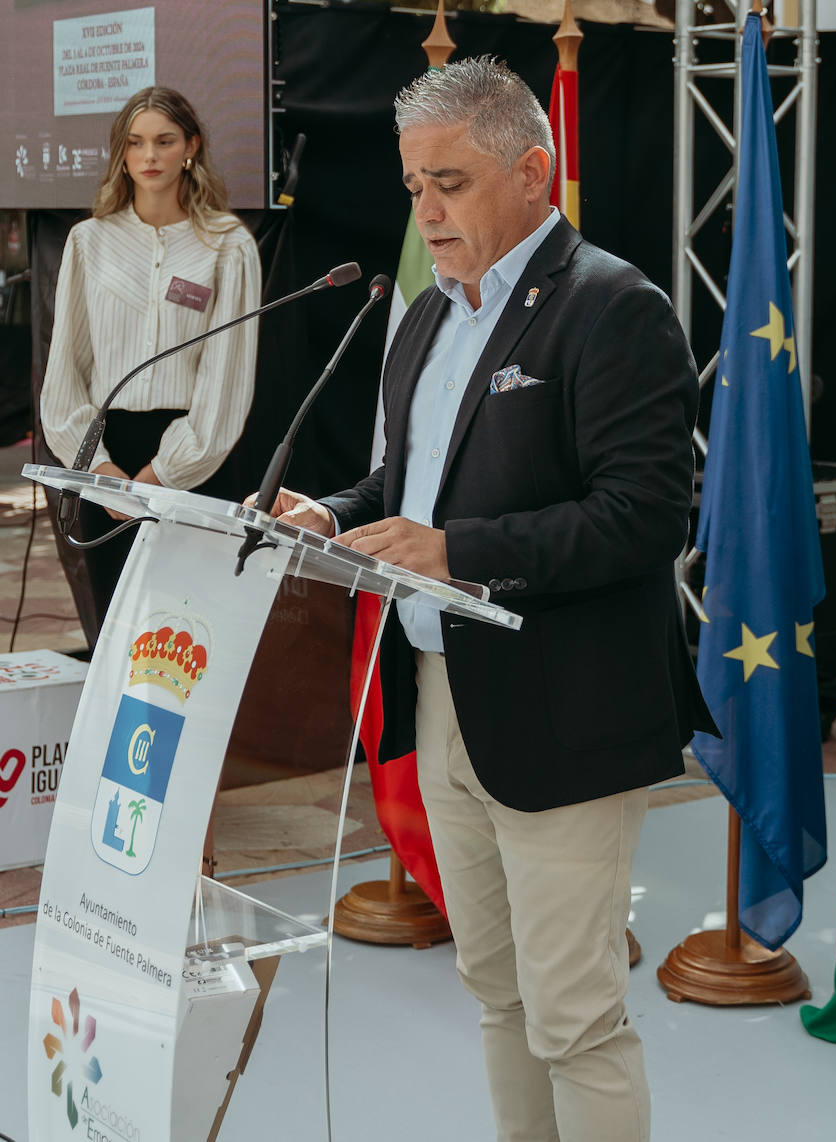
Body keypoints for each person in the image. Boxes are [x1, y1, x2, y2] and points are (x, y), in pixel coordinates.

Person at [267, 57, 717, 1141]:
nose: (425, 209)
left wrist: (456, 547)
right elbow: (404, 483)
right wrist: (330, 512)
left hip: (564, 709)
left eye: (450, 184)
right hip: (441, 696)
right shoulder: (423, 316)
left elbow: (647, 517)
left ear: (531, 171)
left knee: (573, 1017)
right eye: (413, 186)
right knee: (497, 991)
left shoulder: (613, 307)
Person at [41, 86, 261, 643]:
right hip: (105, 461)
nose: (150, 156)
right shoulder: (87, 242)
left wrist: (163, 475)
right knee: (118, 633)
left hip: (196, 458)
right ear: (121, 153)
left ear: (191, 146)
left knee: (187, 638)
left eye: (165, 141)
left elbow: (226, 379)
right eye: (136, 143)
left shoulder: (228, 247)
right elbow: (66, 370)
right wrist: (101, 471)